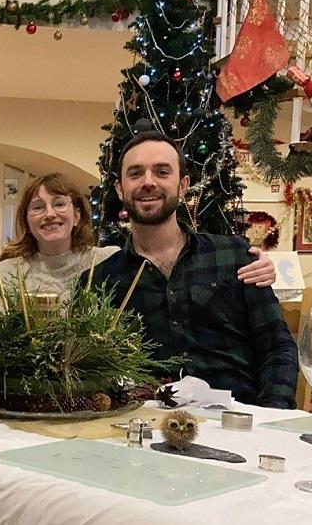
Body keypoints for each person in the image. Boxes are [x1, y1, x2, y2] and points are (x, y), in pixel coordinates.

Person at [82, 131, 298, 408]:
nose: (148, 182)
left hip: (240, 421)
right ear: (120, 189)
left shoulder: (234, 257)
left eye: (162, 171)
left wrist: (270, 416)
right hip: (144, 428)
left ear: (182, 185)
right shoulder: (98, 282)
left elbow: (277, 348)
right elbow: (91, 373)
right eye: (135, 173)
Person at [0, 172, 276, 306]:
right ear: (26, 220)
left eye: (59, 204)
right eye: (37, 208)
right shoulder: (9, 274)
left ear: (77, 215)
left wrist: (262, 264)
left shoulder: (107, 262)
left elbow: (163, 262)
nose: (49, 214)